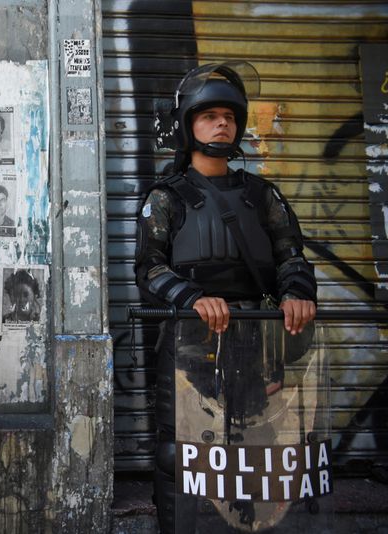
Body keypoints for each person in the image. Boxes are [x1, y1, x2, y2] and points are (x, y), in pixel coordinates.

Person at [134, 62, 317, 534]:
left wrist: (296, 293)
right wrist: (193, 297)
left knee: (261, 447)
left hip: (257, 344)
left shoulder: (263, 195)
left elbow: (290, 256)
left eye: (230, 116)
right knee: (183, 452)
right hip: (190, 348)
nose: (222, 124)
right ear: (187, 125)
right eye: (209, 115)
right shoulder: (166, 197)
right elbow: (148, 267)